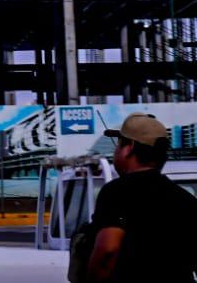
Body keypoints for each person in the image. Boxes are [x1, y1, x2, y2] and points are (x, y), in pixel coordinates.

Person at [83, 112, 197, 282]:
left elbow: (107, 252)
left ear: (129, 148)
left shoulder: (117, 193)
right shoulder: (186, 200)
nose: (116, 151)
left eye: (119, 145)